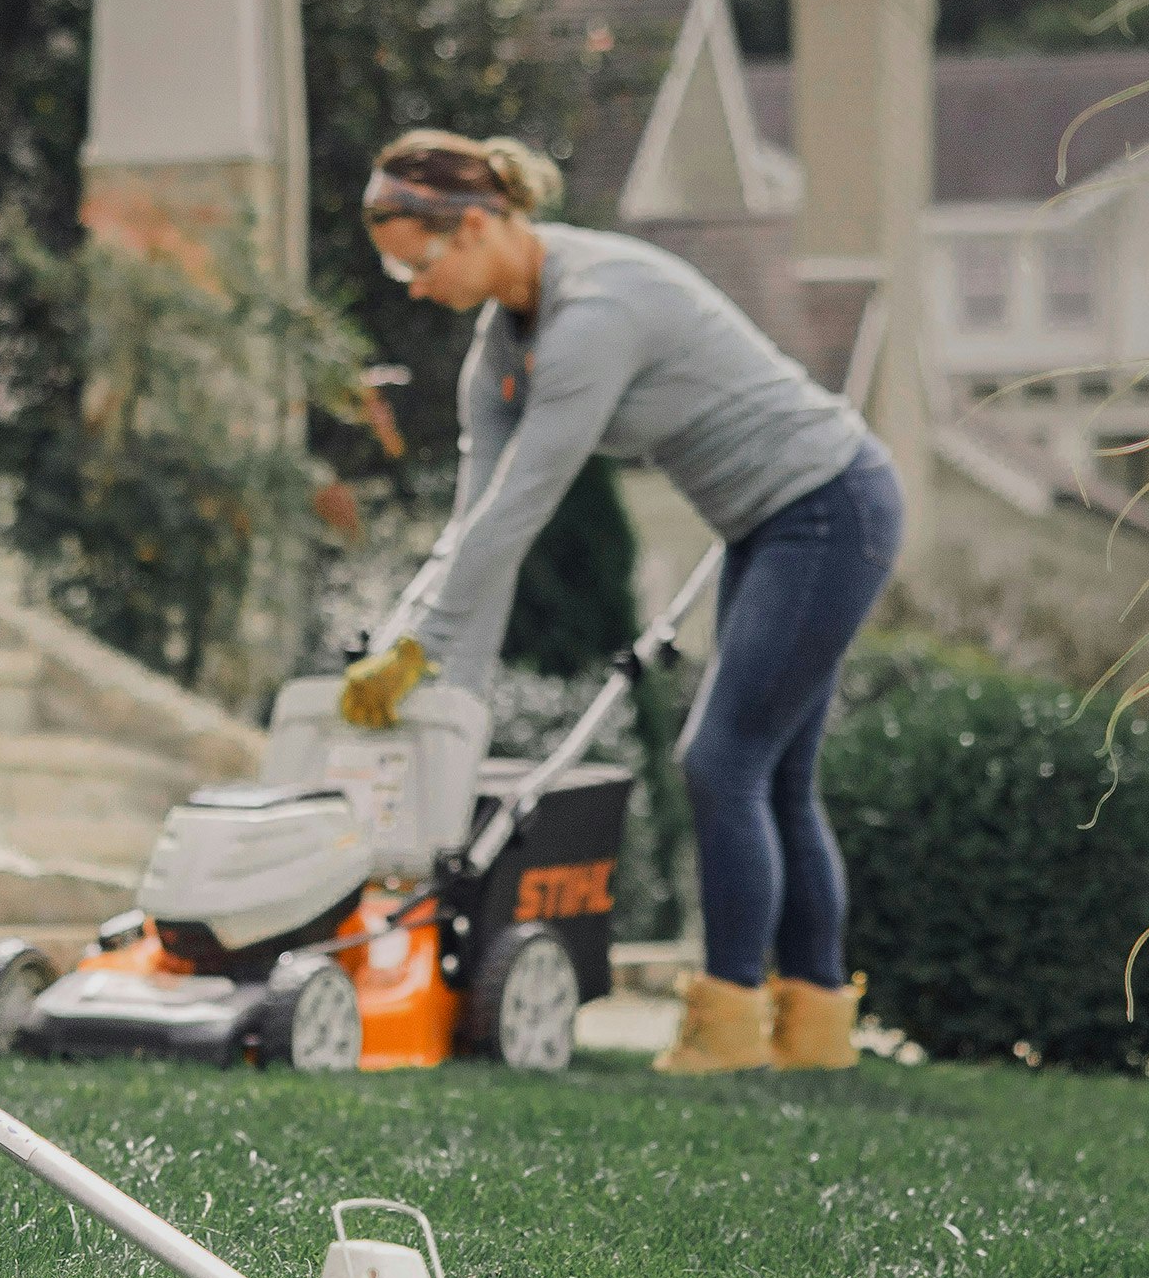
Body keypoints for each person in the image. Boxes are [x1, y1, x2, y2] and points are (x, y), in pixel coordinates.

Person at [342, 127, 904, 1075]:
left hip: (831, 506)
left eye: (420, 267)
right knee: (774, 777)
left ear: (476, 225)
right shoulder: (500, 352)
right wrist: (426, 664)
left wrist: (422, 648)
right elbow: (471, 522)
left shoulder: (595, 312)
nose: (418, 292)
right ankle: (816, 1035)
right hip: (767, 527)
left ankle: (724, 1027)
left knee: (722, 763)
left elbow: (523, 506)